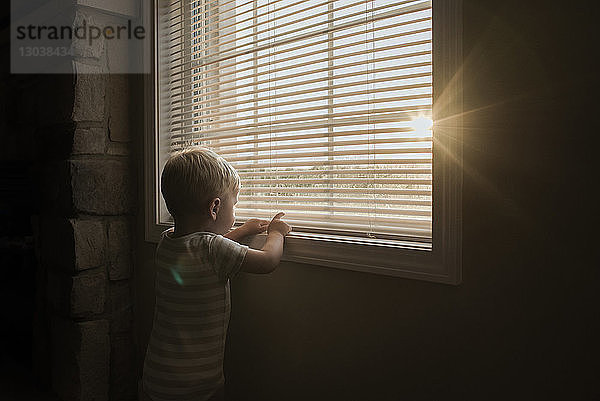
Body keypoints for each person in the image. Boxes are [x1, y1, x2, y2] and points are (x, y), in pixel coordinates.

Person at [141, 147, 292, 401]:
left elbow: (204, 249)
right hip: (196, 384)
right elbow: (267, 261)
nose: (234, 214)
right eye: (234, 205)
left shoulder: (166, 243)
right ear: (214, 208)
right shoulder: (213, 250)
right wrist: (275, 232)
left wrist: (243, 231)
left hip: (157, 374)